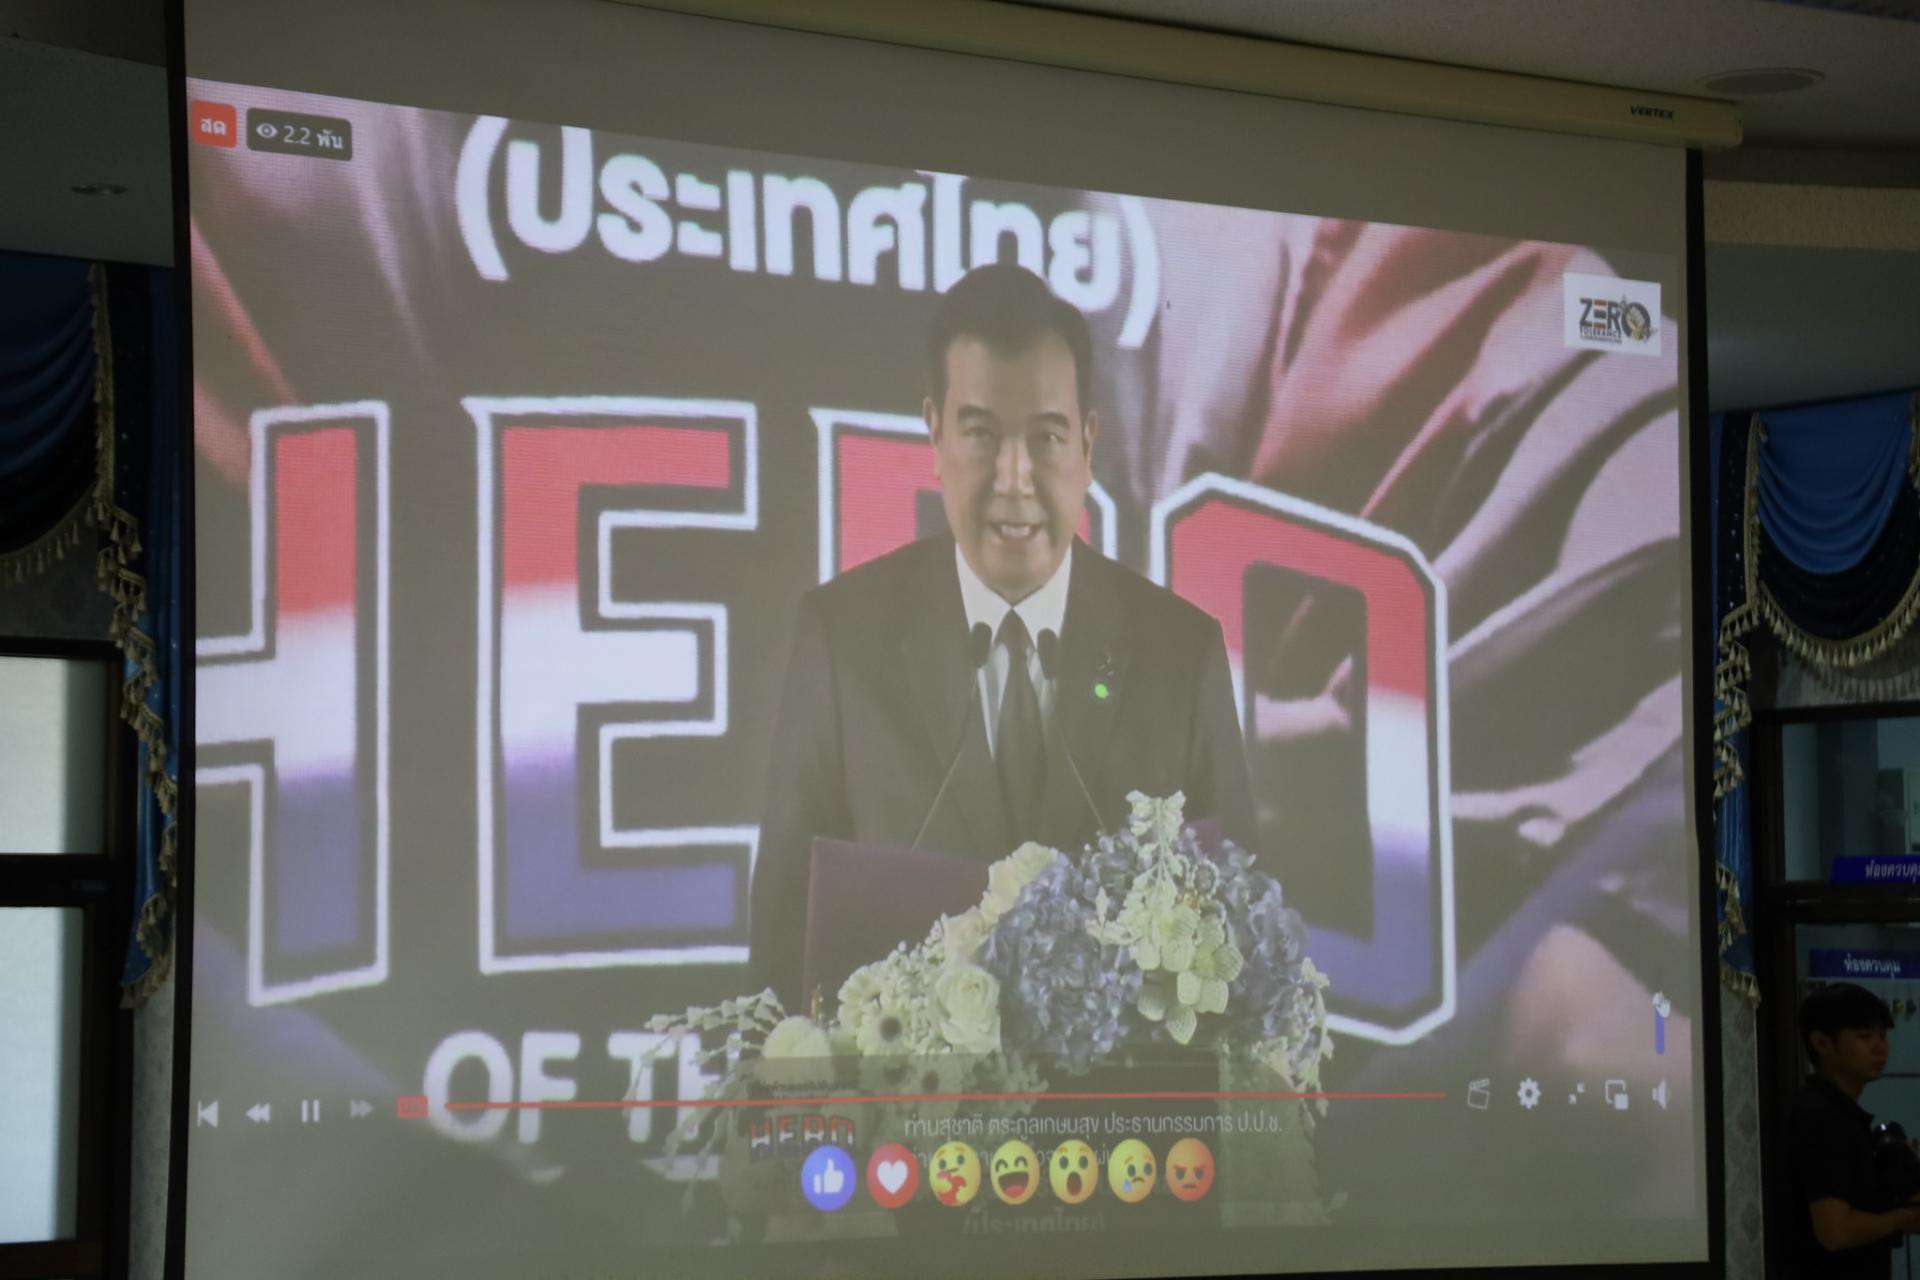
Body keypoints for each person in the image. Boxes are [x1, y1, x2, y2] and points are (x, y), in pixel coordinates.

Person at [749, 263, 1255, 1006]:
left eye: (1046, 436)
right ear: (935, 434)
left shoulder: (1180, 656)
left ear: (1087, 443)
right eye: (981, 434)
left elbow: (1242, 959)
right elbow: (777, 974)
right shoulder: (841, 643)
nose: (1014, 478)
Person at [1787, 982, 1920, 1277]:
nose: (1880, 1047)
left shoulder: (1845, 1116)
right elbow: (1836, 1232)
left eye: (1883, 1036)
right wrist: (1899, 1218)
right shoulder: (1820, 1116)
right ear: (1822, 1043)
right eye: (1864, 1036)